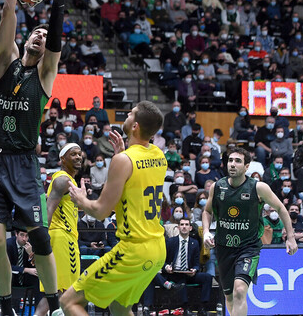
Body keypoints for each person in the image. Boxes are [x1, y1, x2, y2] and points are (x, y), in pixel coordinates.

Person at [0, 0, 69, 316]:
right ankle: (5, 305)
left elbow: (58, 35)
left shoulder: (45, 76)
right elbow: (7, 17)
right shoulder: (6, 64)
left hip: (23, 165)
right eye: (35, 31)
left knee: (40, 236)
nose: (39, 36)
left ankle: (56, 303)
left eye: (45, 35)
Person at [61, 101, 167, 316]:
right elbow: (134, 180)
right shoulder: (158, 155)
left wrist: (81, 200)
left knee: (69, 302)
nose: (126, 116)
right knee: (119, 306)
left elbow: (100, 211)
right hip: (157, 250)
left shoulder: (123, 160)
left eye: (130, 114)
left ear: (135, 125)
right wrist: (122, 154)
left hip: (133, 250)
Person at [202, 147, 298, 316]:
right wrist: (206, 232)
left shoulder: (258, 188)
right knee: (230, 297)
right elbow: (207, 211)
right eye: (230, 160)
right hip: (224, 247)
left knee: (240, 290)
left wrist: (290, 237)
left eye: (238, 161)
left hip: (248, 247)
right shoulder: (217, 187)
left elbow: (281, 209)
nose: (232, 164)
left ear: (247, 167)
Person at [34, 143, 83, 316]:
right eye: (73, 154)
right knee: (64, 292)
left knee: (55, 293)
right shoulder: (63, 179)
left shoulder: (70, 180)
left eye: (80, 154)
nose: (78, 157)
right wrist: (39, 242)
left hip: (66, 237)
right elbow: (47, 210)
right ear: (63, 159)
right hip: (62, 238)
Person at [163, 218, 213, 316]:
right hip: (174, 273)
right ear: (178, 227)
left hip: (188, 273)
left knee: (207, 278)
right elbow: (163, 261)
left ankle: (202, 307)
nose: (184, 227)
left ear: (190, 228)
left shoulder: (194, 243)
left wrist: (194, 269)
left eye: (186, 225)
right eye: (182, 225)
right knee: (181, 278)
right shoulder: (170, 242)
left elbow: (196, 263)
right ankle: (185, 308)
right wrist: (167, 267)